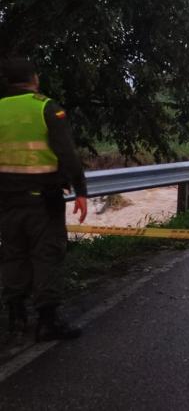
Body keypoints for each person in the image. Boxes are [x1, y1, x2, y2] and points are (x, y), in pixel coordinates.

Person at [0, 57, 88, 341]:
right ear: (34, 78)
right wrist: (81, 191)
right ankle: (47, 321)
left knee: (13, 254)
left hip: (6, 200)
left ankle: (16, 318)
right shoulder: (46, 107)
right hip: (43, 200)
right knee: (46, 255)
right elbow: (68, 155)